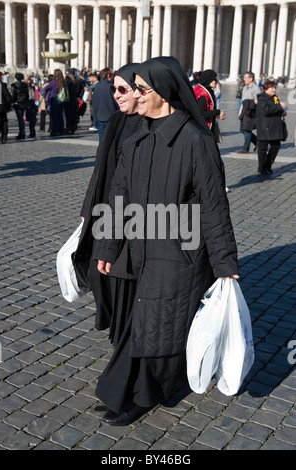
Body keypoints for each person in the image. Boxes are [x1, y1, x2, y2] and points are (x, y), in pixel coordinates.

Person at [93, 56, 239, 427]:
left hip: (180, 252)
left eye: (143, 89)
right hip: (143, 245)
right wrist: (108, 246)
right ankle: (126, 390)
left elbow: (214, 207)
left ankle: (143, 396)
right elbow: (118, 195)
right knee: (145, 320)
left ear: (166, 93)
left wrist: (225, 266)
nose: (136, 96)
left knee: (159, 324)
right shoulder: (138, 134)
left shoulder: (195, 141)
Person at [73, 63, 143, 348]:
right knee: (96, 271)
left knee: (120, 274)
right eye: (113, 88)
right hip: (107, 209)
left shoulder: (150, 122)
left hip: (135, 214)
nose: (115, 94)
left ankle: (125, 333)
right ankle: (114, 320)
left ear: (141, 90)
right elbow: (100, 167)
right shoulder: (116, 120)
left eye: (122, 89)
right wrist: (87, 209)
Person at [256, 80, 287, 175]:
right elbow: (266, 111)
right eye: (272, 88)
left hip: (275, 127)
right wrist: (280, 106)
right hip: (265, 127)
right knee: (262, 149)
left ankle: (268, 164)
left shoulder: (275, 98)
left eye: (274, 88)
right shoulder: (262, 99)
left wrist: (283, 112)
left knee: (276, 146)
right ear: (265, 89)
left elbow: (275, 109)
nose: (274, 90)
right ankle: (262, 167)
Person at [194, 69, 225, 140]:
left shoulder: (208, 90)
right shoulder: (203, 95)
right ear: (208, 80)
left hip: (206, 130)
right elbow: (202, 114)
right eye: (214, 79)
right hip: (203, 132)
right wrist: (218, 112)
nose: (216, 81)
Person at [91, 68, 119, 141]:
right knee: (111, 139)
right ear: (108, 76)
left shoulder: (97, 86)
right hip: (111, 116)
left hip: (100, 116)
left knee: (102, 139)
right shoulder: (111, 87)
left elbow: (93, 102)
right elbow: (116, 101)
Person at [238, 71, 260, 154]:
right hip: (244, 111)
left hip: (251, 112)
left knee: (247, 130)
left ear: (251, 79)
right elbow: (243, 100)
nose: (244, 79)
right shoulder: (245, 87)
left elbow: (258, 101)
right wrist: (240, 111)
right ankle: (257, 141)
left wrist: (250, 103)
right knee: (242, 129)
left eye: (246, 78)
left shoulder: (255, 88)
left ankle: (245, 149)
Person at [41, 69, 65, 136]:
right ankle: (61, 130)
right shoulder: (63, 81)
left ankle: (56, 131)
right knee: (60, 116)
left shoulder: (53, 82)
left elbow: (46, 88)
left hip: (54, 99)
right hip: (62, 100)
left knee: (54, 116)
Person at [11, 72, 29, 140]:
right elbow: (27, 95)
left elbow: (13, 95)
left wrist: (11, 102)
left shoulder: (14, 85)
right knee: (21, 118)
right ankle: (22, 132)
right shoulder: (25, 85)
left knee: (20, 119)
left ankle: (22, 133)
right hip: (23, 103)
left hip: (17, 103)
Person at [0, 70, 12, 144]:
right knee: (4, 122)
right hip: (1, 107)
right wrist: (8, 105)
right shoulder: (2, 84)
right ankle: (3, 138)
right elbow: (7, 96)